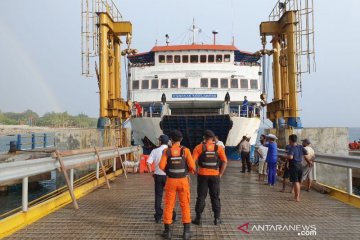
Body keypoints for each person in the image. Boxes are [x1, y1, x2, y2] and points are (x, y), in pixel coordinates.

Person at [159, 130, 196, 240]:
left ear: (171, 140)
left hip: (171, 181)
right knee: (185, 205)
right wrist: (187, 171)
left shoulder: (167, 151)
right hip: (183, 181)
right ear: (181, 139)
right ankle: (186, 232)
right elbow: (193, 166)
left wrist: (168, 172)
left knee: (169, 205)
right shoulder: (186, 151)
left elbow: (161, 166)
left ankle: (168, 232)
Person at [192, 130, 228, 226]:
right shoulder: (219, 148)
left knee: (201, 196)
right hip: (215, 175)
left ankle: (198, 218)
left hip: (202, 175)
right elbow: (225, 162)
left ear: (204, 137)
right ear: (213, 138)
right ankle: (217, 219)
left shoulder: (199, 147)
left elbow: (192, 161)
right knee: (215, 197)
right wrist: (220, 174)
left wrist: (195, 171)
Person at [146, 135, 175, 223]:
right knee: (170, 196)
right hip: (168, 177)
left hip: (158, 176)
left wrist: (151, 172)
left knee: (158, 196)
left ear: (160, 141)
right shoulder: (171, 150)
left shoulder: (154, 151)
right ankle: (172, 215)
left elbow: (148, 163)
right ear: (168, 142)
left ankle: (158, 216)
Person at [285, 134, 309, 202]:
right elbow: (306, 153)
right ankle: (297, 196)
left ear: (290, 140)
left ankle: (296, 197)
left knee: (296, 182)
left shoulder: (292, 147)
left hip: (294, 166)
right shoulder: (300, 146)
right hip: (300, 165)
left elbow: (290, 157)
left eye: (289, 140)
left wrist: (286, 156)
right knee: (298, 181)